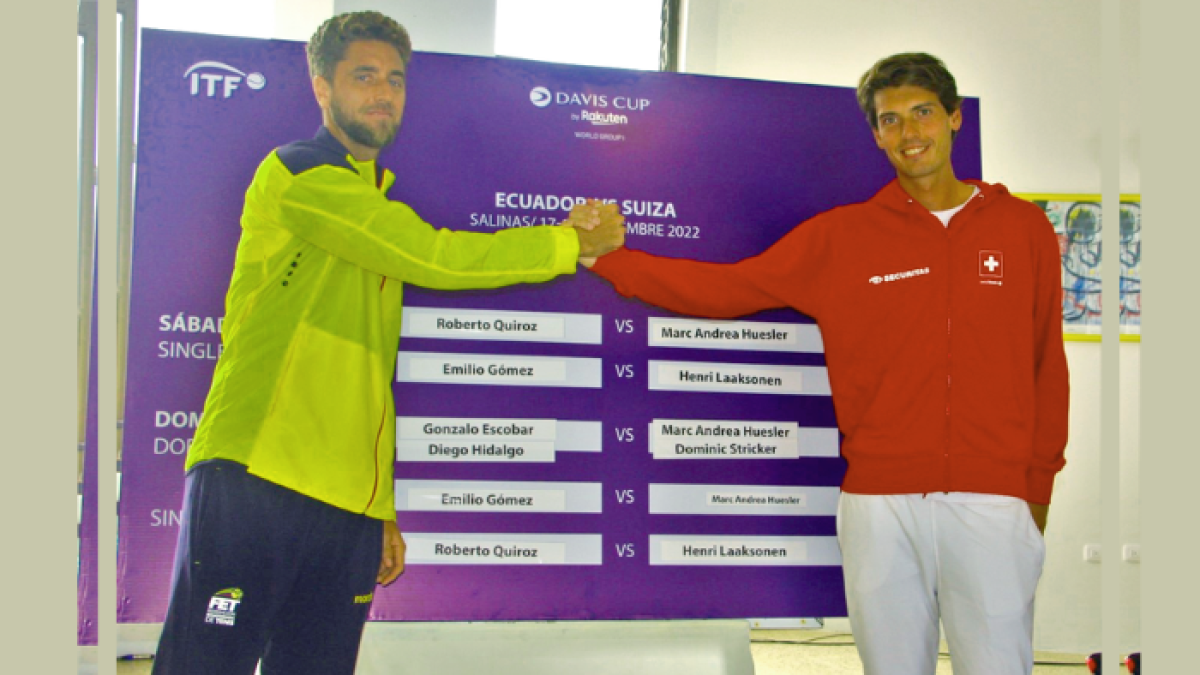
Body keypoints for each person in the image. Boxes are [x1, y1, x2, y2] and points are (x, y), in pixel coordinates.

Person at [151, 11, 623, 675]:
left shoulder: (369, 198)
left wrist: (381, 507)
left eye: (395, 80)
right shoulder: (301, 174)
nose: (382, 92)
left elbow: (366, 385)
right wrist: (569, 243)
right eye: (364, 76)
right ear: (322, 87)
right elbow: (431, 255)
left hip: (345, 504)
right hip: (255, 475)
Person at [585, 53, 1068, 675]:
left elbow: (1045, 365)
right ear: (875, 136)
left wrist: (1035, 492)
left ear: (953, 119)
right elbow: (727, 290)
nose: (909, 133)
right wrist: (611, 262)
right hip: (878, 504)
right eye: (891, 121)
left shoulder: (1022, 228)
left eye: (922, 113)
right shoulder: (843, 237)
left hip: (992, 501)